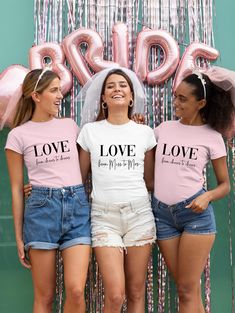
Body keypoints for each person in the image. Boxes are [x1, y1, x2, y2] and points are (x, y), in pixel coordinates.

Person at [4, 68, 91, 313]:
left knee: (75, 290)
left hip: (76, 207)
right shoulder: (18, 136)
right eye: (53, 90)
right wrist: (19, 237)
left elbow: (81, 167)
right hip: (41, 212)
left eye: (59, 91)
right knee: (45, 297)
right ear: (35, 95)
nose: (59, 96)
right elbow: (15, 189)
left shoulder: (70, 126)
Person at [152, 69, 235, 313]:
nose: (175, 103)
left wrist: (206, 196)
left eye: (183, 99)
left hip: (195, 216)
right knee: (187, 289)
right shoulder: (163, 129)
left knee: (187, 290)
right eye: (175, 96)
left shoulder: (212, 137)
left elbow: (225, 185)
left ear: (201, 103)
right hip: (162, 216)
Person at [77, 67, 157, 313]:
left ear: (131, 97)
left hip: (139, 215)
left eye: (122, 85)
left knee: (135, 292)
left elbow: (151, 181)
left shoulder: (145, 133)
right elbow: (78, 178)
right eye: (110, 86)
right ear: (102, 98)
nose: (116, 89)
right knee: (115, 294)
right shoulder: (90, 131)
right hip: (104, 218)